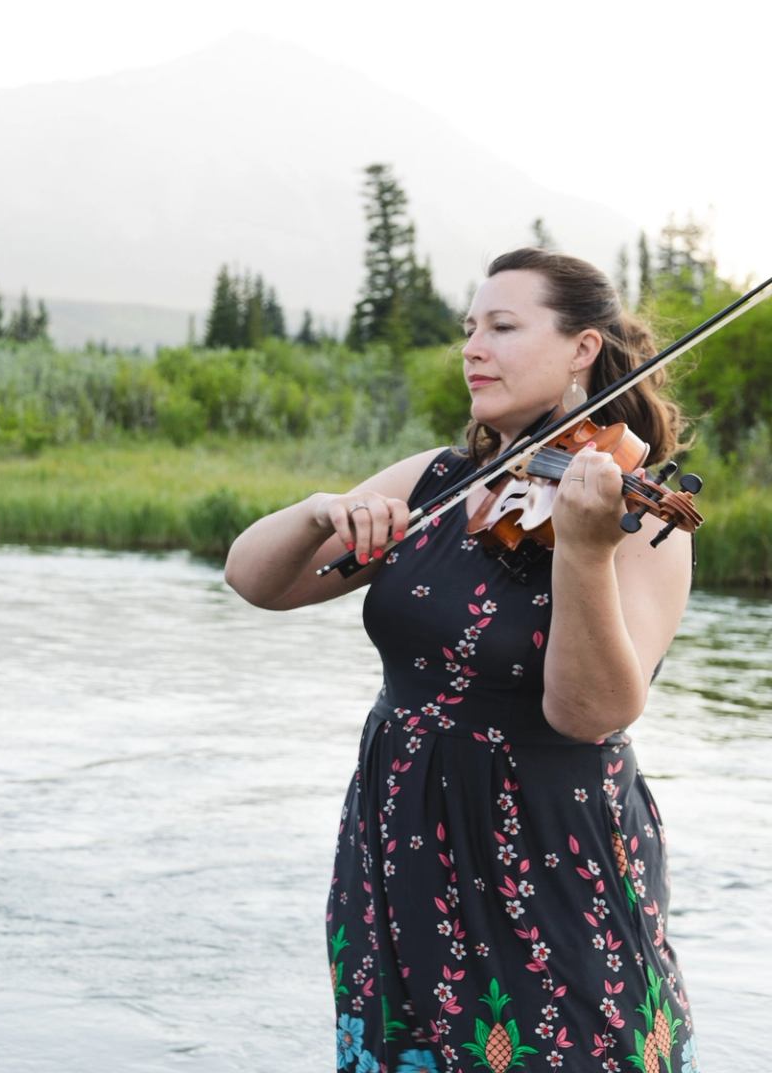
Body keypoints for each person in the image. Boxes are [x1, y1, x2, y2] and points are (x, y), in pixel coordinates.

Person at [225, 248, 698, 1071]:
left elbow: (590, 714)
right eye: (468, 329)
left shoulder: (634, 520)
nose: (473, 348)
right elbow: (256, 580)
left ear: (582, 349)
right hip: (405, 840)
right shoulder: (439, 479)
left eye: (503, 328)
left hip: (548, 851)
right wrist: (315, 514)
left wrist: (582, 557)